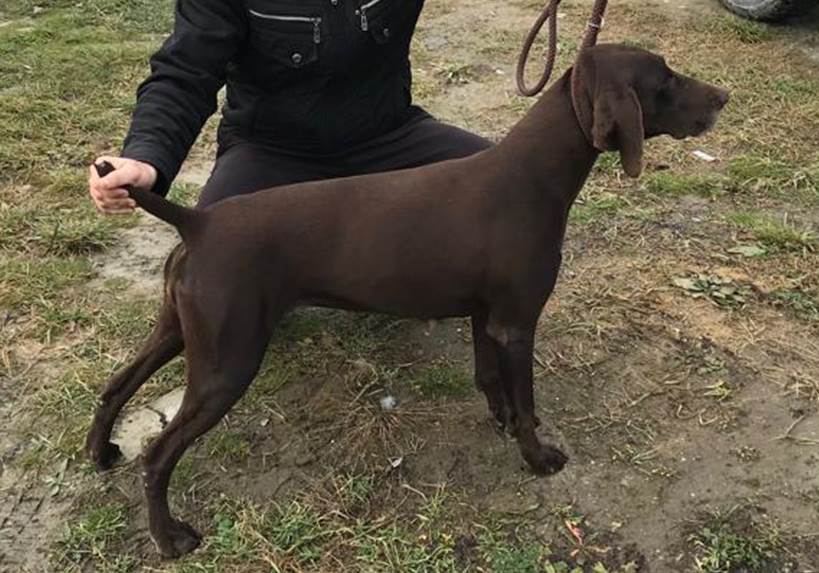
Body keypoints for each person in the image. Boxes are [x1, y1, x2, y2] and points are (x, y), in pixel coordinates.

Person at [88, 0, 491, 213]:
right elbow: (184, 74)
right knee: (213, 267)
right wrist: (146, 159)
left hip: (390, 139)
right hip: (273, 153)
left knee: (506, 187)